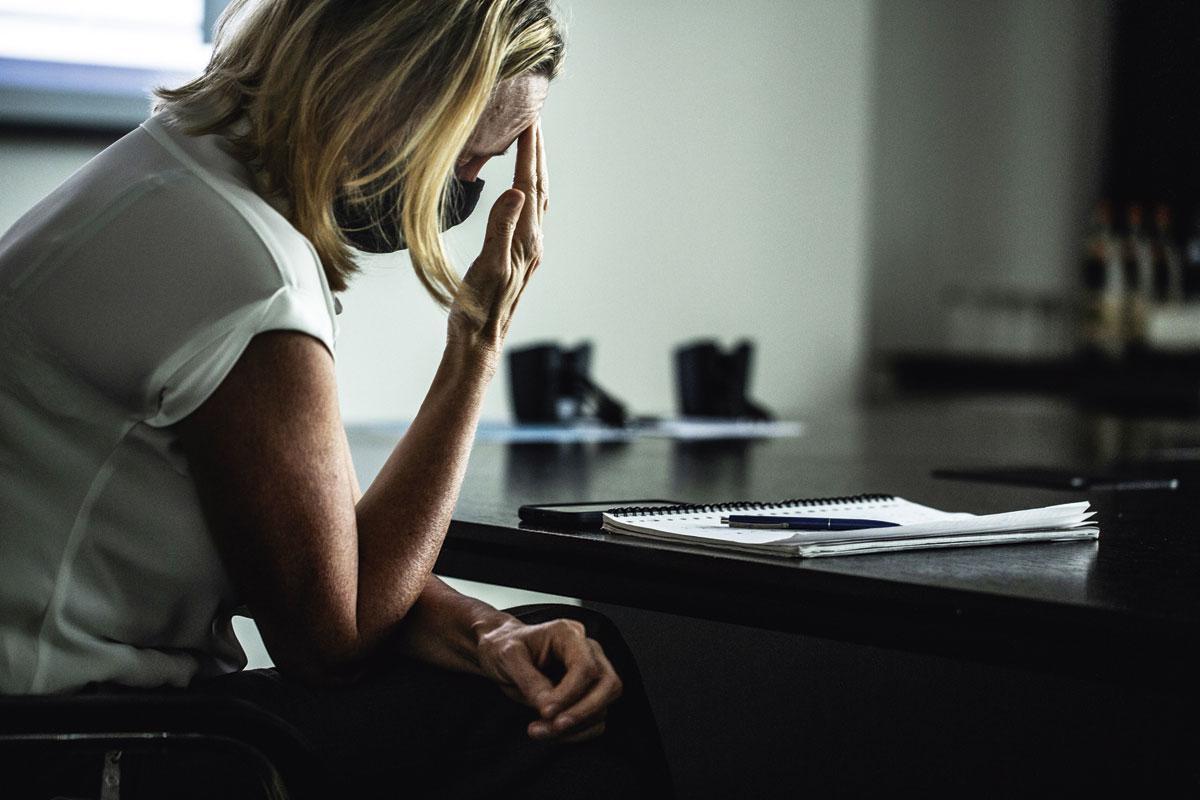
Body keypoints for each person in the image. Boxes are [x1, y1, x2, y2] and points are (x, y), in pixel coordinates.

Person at [0, 0, 670, 795]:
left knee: (552, 652)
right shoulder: (238, 263)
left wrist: (491, 633)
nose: (467, 192)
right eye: (465, 160)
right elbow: (333, 638)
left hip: (65, 719)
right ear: (392, 94)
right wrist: (477, 344)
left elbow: (334, 559)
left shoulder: (175, 178)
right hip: (78, 746)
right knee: (560, 703)